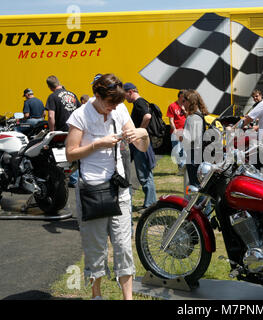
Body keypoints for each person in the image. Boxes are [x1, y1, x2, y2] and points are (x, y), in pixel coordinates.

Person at [65, 73, 150, 300]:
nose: (112, 108)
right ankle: (96, 295)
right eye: (109, 103)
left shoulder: (119, 109)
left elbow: (141, 147)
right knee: (95, 248)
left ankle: (127, 298)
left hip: (118, 189)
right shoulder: (80, 115)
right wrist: (97, 144)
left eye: (116, 104)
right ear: (97, 95)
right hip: (92, 191)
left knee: (123, 247)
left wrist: (142, 133)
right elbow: (70, 153)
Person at [123, 82, 157, 210]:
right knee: (145, 173)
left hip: (141, 144)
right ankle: (150, 202)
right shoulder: (141, 102)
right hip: (142, 143)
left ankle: (150, 204)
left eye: (125, 94)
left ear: (130, 92)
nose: (125, 98)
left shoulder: (139, 102)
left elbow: (147, 116)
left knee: (144, 175)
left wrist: (138, 132)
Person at [181, 89, 209, 188]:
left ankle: (199, 204)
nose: (182, 103)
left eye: (184, 101)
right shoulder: (200, 114)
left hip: (193, 155)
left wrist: (181, 136)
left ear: (190, 102)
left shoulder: (192, 117)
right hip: (201, 153)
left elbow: (189, 138)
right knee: (202, 184)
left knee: (196, 185)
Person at [167, 90, 187, 174]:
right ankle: (181, 167)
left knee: (184, 150)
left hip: (185, 131)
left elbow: (189, 116)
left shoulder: (186, 105)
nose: (185, 98)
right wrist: (174, 129)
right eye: (184, 96)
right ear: (179, 96)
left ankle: (183, 168)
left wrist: (184, 110)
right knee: (177, 151)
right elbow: (171, 120)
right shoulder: (172, 106)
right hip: (176, 132)